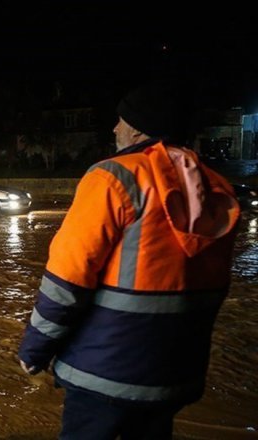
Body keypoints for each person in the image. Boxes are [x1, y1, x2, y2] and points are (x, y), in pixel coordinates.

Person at [17, 82, 241, 439]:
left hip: (103, 373)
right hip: (173, 377)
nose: (114, 129)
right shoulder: (218, 188)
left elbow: (67, 279)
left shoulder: (113, 177)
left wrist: (34, 349)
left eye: (120, 121)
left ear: (138, 127)